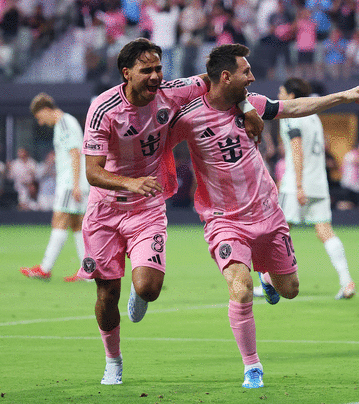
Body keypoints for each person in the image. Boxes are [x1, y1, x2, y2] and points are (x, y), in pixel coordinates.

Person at [169, 44, 359, 388]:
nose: (252, 77)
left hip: (267, 213)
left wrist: (342, 96)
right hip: (224, 219)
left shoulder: (250, 104)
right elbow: (154, 138)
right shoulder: (189, 116)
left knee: (290, 290)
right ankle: (252, 366)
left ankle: (268, 277)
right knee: (241, 289)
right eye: (246, 71)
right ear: (225, 77)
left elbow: (294, 107)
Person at [72, 38, 263, 386]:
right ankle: (113, 360)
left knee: (148, 288)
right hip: (105, 211)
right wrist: (130, 183)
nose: (156, 76)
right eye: (147, 70)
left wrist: (247, 105)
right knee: (106, 294)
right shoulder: (103, 108)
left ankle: (139, 287)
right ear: (126, 73)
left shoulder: (173, 92)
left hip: (147, 208)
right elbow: (92, 172)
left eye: (159, 68)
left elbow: (221, 80)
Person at [275, 77, 355, 300]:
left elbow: (297, 149)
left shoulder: (290, 115)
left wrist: (299, 185)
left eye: (282, 92)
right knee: (325, 231)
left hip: (296, 184)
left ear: (292, 96)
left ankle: (269, 284)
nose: (279, 96)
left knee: (277, 234)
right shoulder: (314, 116)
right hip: (319, 184)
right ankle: (346, 281)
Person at [20, 93, 90, 282]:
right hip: (74, 182)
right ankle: (88, 271)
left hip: (70, 184)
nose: (41, 122)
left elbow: (75, 153)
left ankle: (45, 268)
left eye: (39, 117)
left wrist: (75, 185)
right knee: (77, 224)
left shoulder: (65, 124)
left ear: (45, 110)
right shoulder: (64, 123)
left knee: (59, 219)